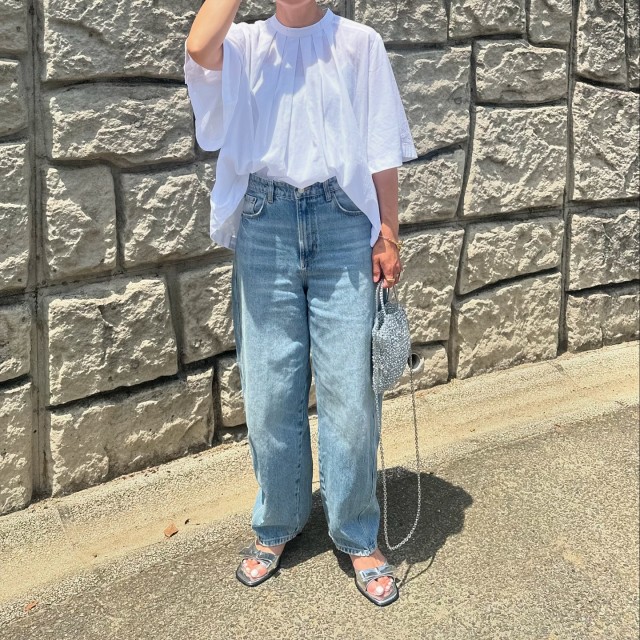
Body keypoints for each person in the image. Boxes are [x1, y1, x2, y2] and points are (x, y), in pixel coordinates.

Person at [184, 0, 418, 606]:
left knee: (350, 393)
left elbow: (381, 146)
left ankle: (357, 531)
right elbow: (199, 47)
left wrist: (388, 234)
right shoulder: (246, 46)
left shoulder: (359, 43)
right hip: (265, 222)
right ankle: (278, 521)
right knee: (268, 391)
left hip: (342, 220)